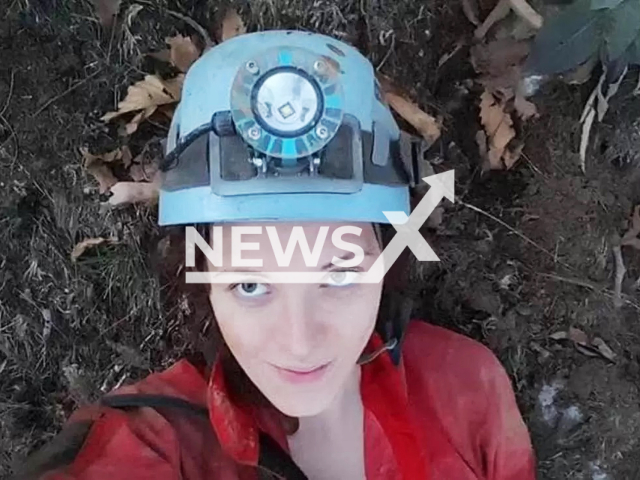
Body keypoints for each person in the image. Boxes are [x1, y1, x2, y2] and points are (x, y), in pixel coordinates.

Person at [15, 30, 536, 480]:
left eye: (338, 276)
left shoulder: (467, 387)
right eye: (250, 284)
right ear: (203, 279)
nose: (300, 341)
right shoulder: (157, 445)